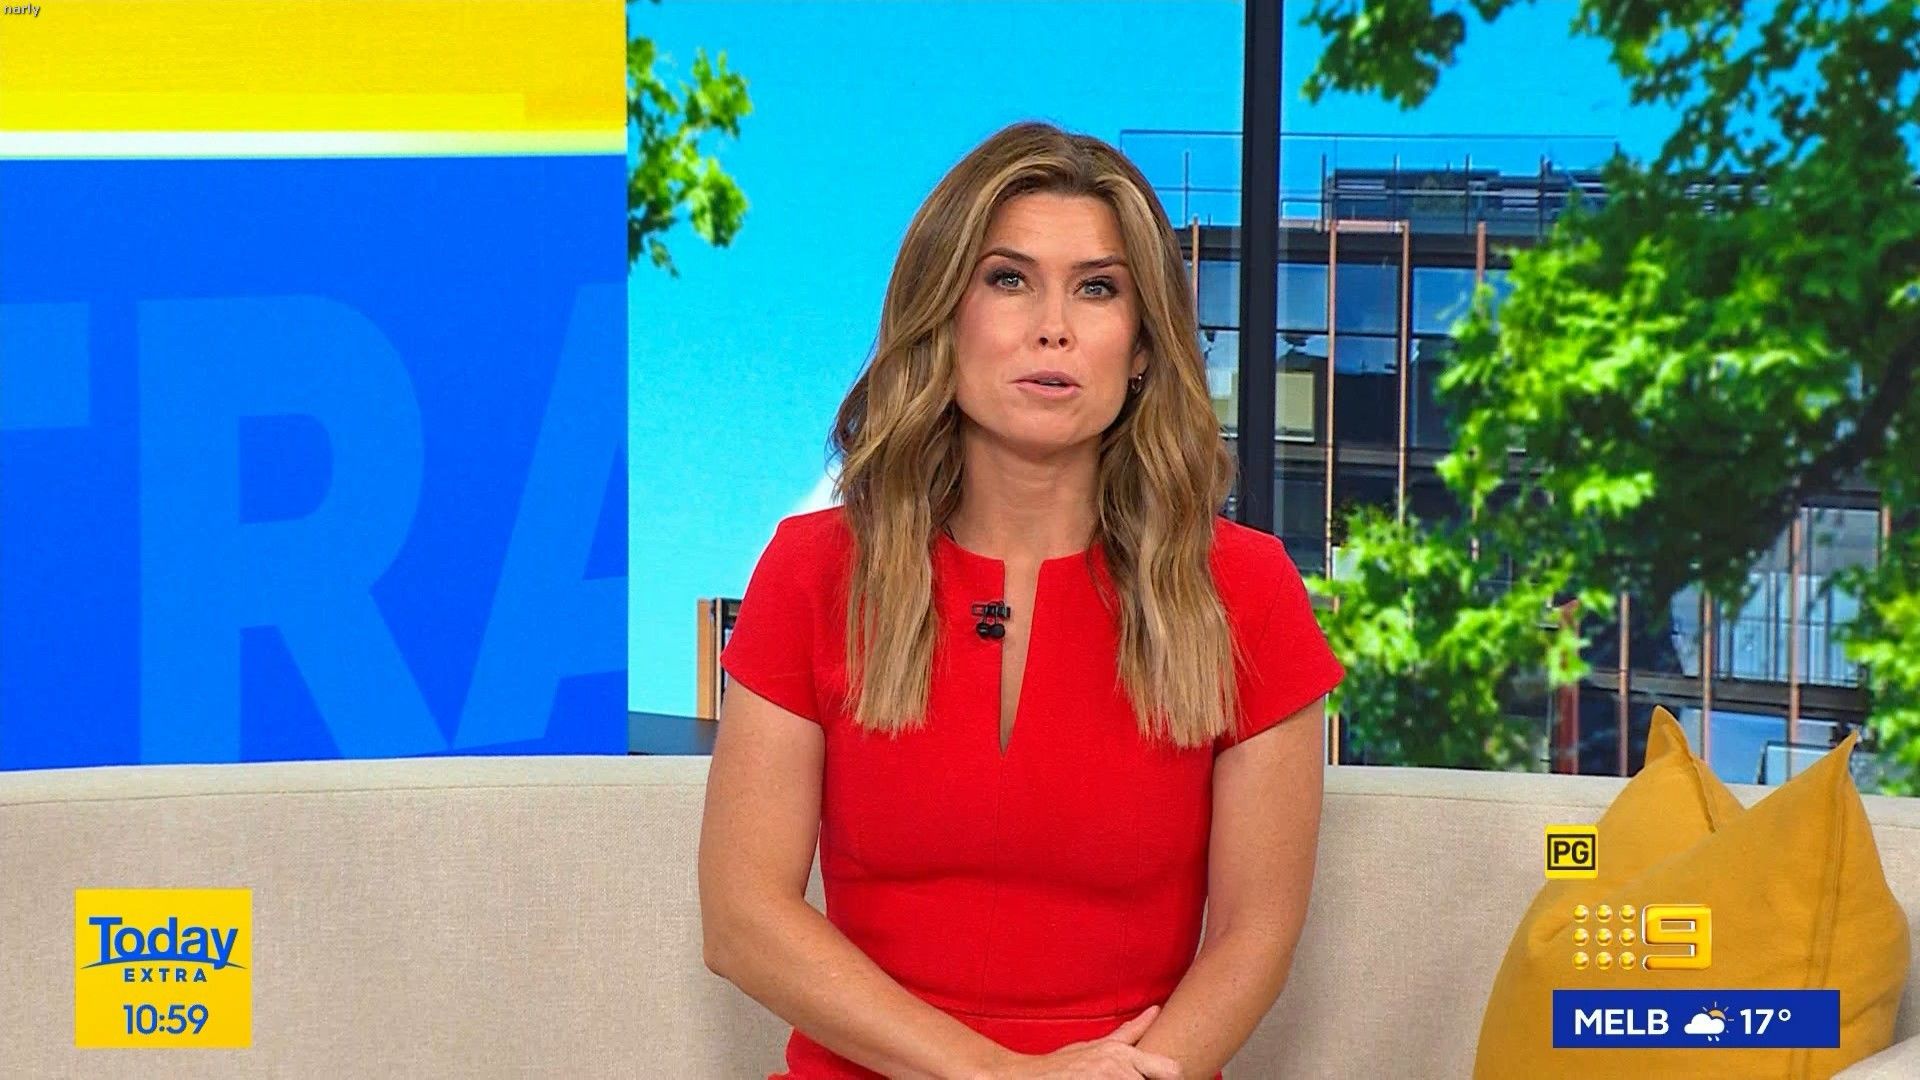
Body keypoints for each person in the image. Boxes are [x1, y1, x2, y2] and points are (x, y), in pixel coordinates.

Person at [698, 120, 1346, 1080]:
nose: (1054, 326)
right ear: (943, 319)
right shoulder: (812, 569)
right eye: (1008, 280)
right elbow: (742, 918)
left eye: (1098, 288)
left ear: (1142, 347)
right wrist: (999, 1077)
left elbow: (1255, 939)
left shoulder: (1245, 591)